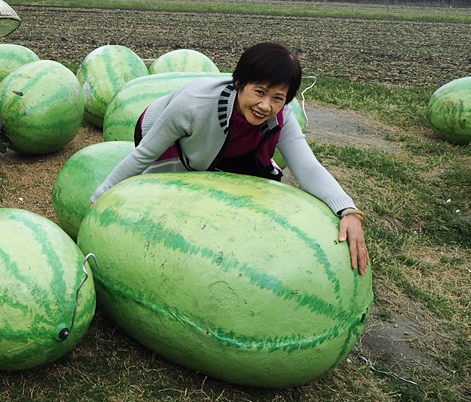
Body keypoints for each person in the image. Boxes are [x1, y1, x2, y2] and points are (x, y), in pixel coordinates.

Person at [90, 42, 370, 274]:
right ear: (239, 82)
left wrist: (347, 210)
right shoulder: (192, 105)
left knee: (257, 184)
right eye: (259, 92)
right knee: (178, 201)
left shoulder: (281, 116)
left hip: (225, 144)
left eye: (278, 97)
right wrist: (101, 195)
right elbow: (143, 155)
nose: (265, 105)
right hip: (167, 139)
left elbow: (307, 167)